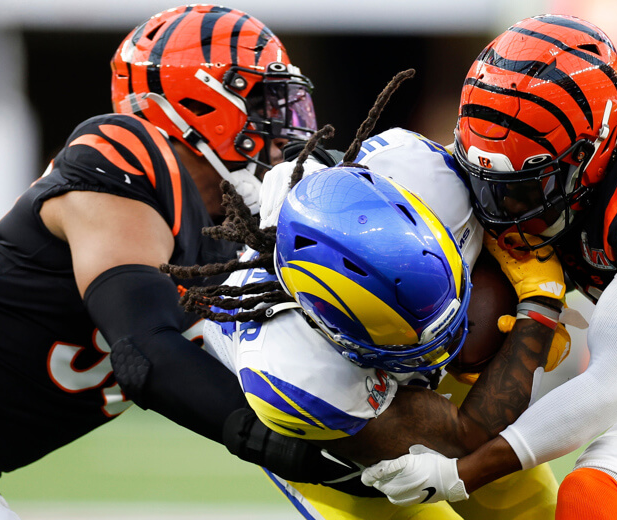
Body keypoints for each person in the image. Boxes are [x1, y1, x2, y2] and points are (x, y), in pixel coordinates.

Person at [361, 13, 617, 520]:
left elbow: (609, 385)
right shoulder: (546, 139)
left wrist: (459, 475)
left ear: (592, 155)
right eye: (486, 182)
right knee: (592, 500)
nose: (500, 209)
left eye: (524, 188)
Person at [0, 5, 355, 519]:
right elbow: (145, 353)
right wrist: (305, 457)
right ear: (199, 101)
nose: (285, 124)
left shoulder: (236, 229)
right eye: (264, 100)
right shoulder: (120, 154)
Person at [171, 112, 565, 518]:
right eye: (401, 335)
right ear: (333, 331)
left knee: (541, 512)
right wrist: (540, 306)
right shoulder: (297, 374)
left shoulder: (425, 173)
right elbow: (462, 440)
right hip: (347, 451)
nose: (443, 341)